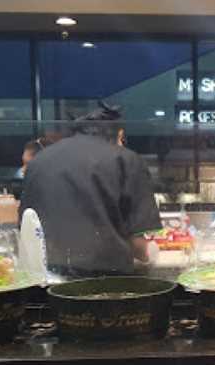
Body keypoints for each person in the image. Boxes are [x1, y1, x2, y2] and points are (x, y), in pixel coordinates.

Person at [20, 101, 161, 277]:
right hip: (106, 283)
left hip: (45, 280)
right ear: (119, 134)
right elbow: (138, 246)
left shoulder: (40, 160)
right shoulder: (126, 159)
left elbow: (26, 228)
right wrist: (153, 252)